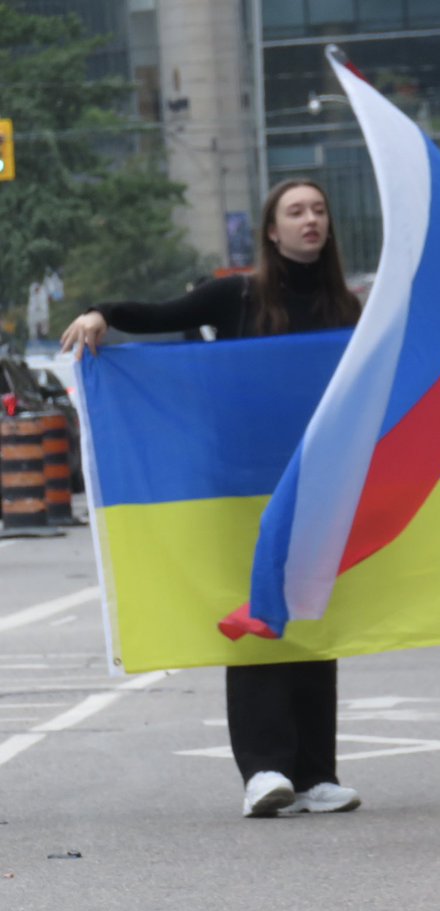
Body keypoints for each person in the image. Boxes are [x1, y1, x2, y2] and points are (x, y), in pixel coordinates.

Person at [61, 179, 363, 819]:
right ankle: (264, 771)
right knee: (253, 619)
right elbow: (162, 313)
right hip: (239, 488)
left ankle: (316, 775)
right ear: (272, 231)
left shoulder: (350, 310)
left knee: (310, 615)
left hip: (317, 486)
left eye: (318, 210)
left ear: (328, 228)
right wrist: (102, 315)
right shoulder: (239, 296)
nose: (309, 220)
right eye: (294, 211)